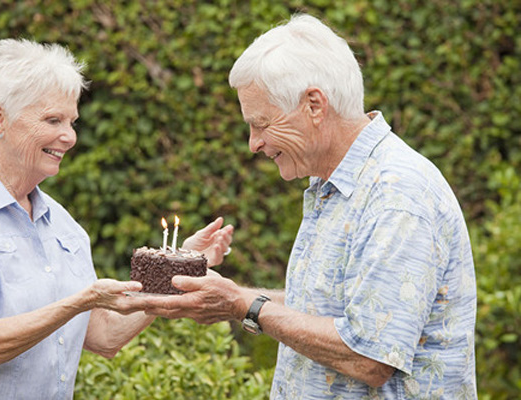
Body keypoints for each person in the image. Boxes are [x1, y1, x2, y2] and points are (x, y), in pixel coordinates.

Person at [135, 14, 477, 399]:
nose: (253, 143)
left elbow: (370, 356)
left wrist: (245, 305)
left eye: (261, 124)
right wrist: (231, 300)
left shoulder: (396, 194)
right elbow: (331, 312)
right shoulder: (333, 185)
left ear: (314, 105)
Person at [0, 38, 233, 399]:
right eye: (53, 120)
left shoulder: (63, 226)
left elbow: (105, 337)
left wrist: (176, 271)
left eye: (71, 121)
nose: (69, 137)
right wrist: (81, 300)